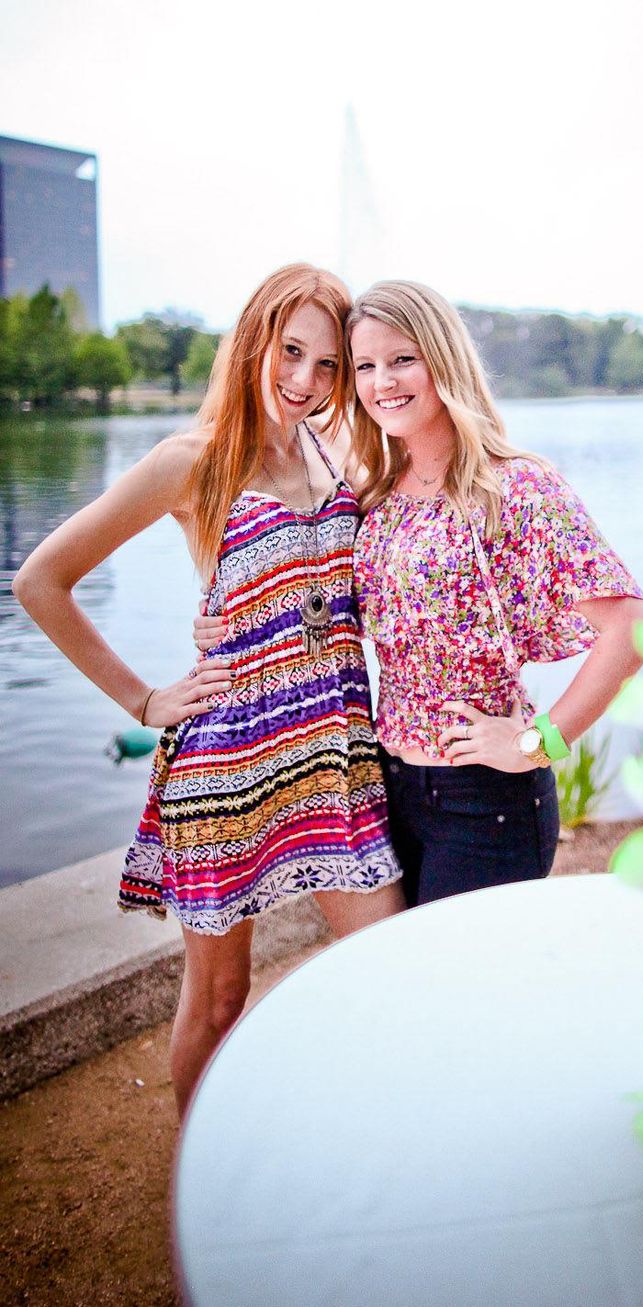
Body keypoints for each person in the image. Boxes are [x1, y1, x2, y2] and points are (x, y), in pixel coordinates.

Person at [13, 264, 405, 1117]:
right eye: (291, 351)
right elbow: (41, 581)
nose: (305, 379)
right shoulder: (190, 462)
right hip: (229, 767)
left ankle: (379, 1138)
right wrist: (144, 700)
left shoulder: (331, 451)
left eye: (328, 364)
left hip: (335, 757)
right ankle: (198, 1165)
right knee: (220, 999)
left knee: (390, 959)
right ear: (255, 339)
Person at [200, 279, 643, 906]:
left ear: (443, 359)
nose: (383, 381)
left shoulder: (513, 487)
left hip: (484, 799)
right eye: (365, 366)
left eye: (402, 359)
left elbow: (632, 629)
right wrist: (230, 622)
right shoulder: (379, 497)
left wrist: (539, 742)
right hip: (390, 790)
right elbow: (331, 609)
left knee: (459, 969)